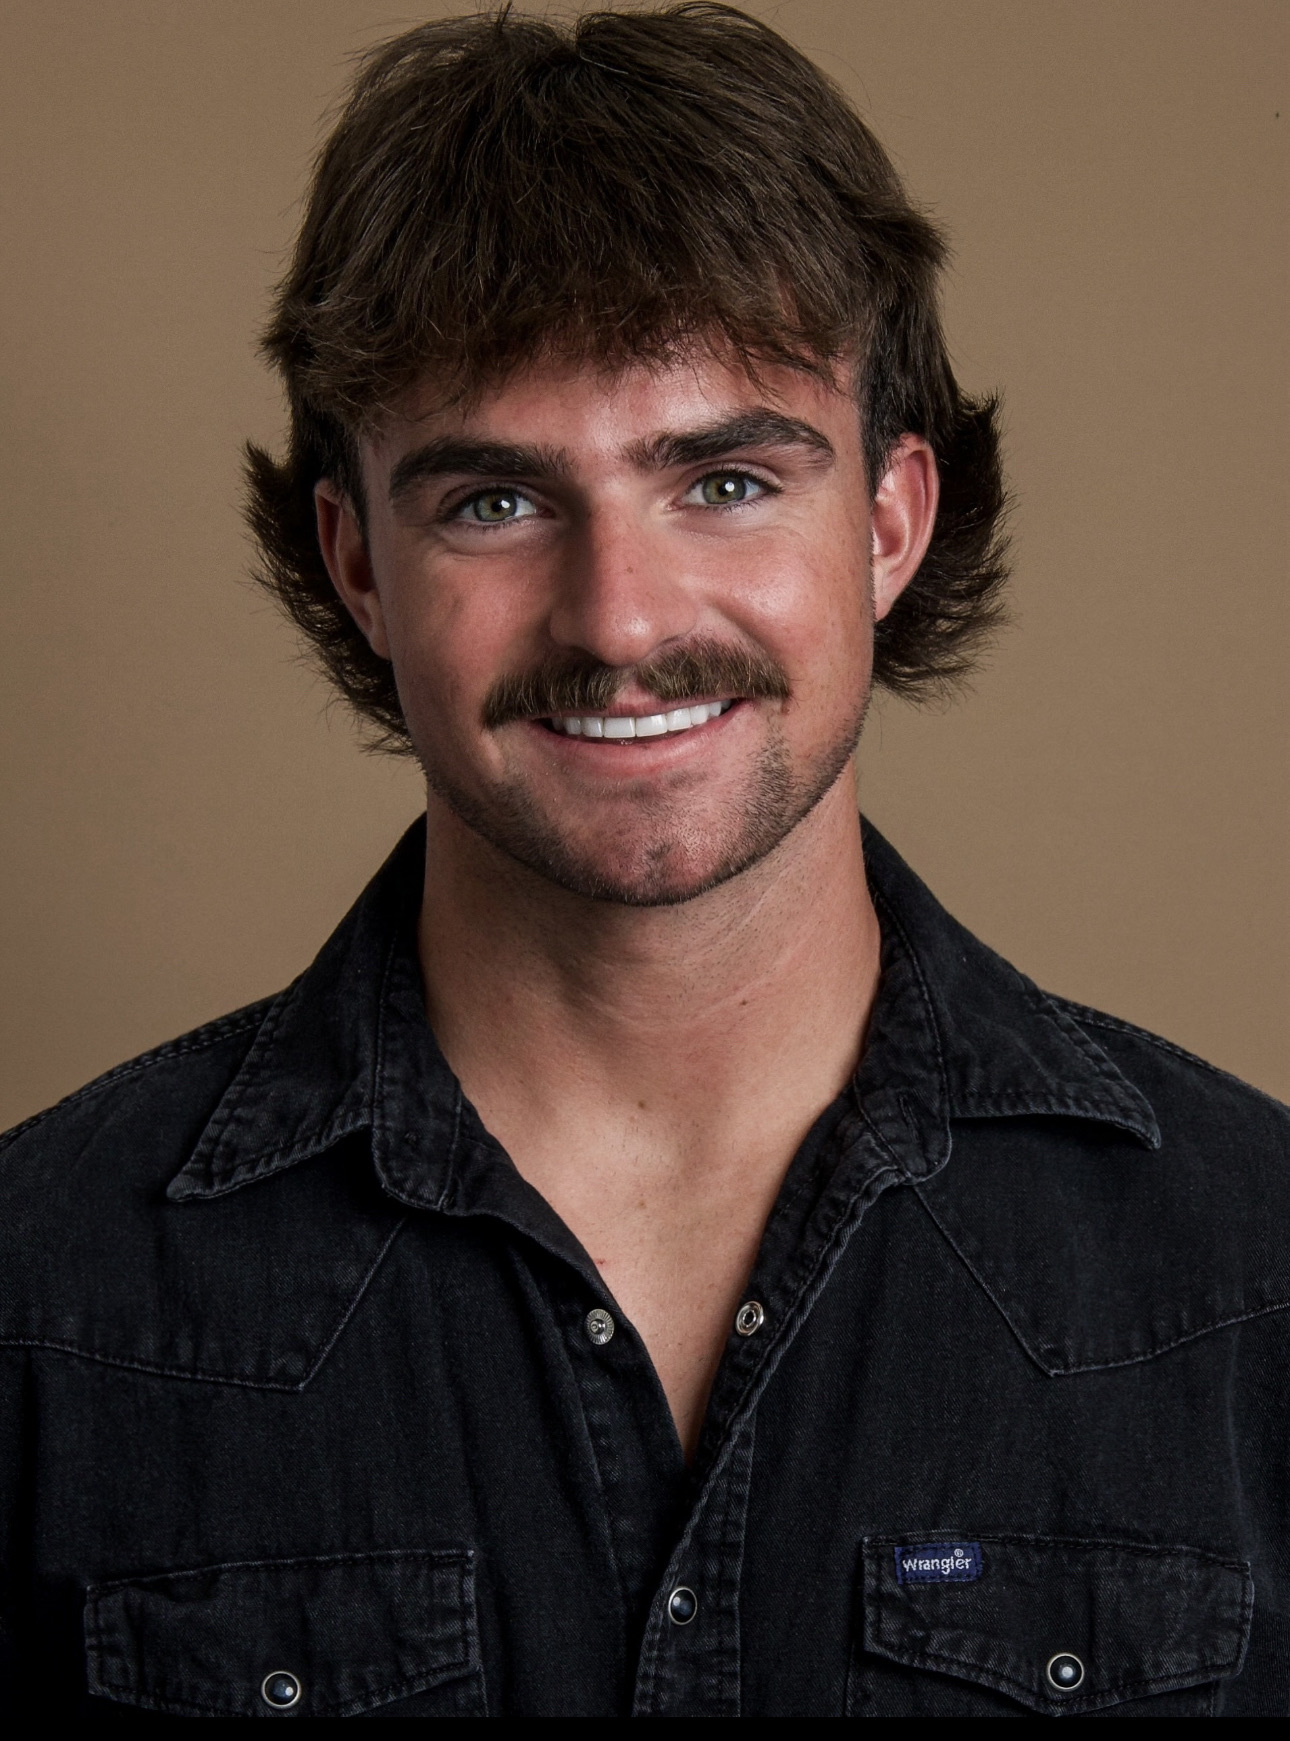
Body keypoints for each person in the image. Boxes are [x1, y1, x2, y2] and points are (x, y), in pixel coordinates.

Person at [1, 4, 1285, 1720]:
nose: (617, 621)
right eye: (494, 503)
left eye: (728, 481)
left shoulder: (1250, 1272)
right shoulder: (42, 1295)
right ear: (358, 566)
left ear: (888, 522)